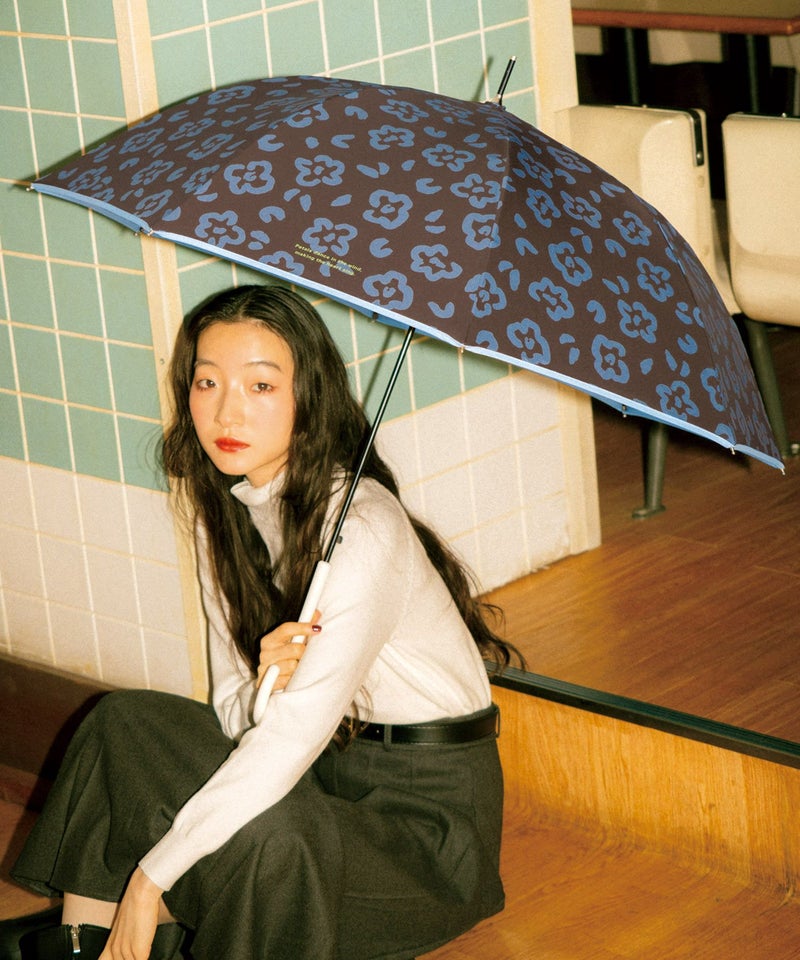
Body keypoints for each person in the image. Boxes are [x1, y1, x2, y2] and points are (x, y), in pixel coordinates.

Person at [4, 285, 520, 960]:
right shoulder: (222, 511)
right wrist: (265, 684)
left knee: (266, 836)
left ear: (310, 398)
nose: (227, 411)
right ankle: (87, 944)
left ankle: (141, 919)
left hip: (422, 832)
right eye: (207, 382)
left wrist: (149, 880)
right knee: (125, 722)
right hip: (320, 773)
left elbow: (286, 746)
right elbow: (234, 713)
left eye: (261, 386)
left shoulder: (363, 526)